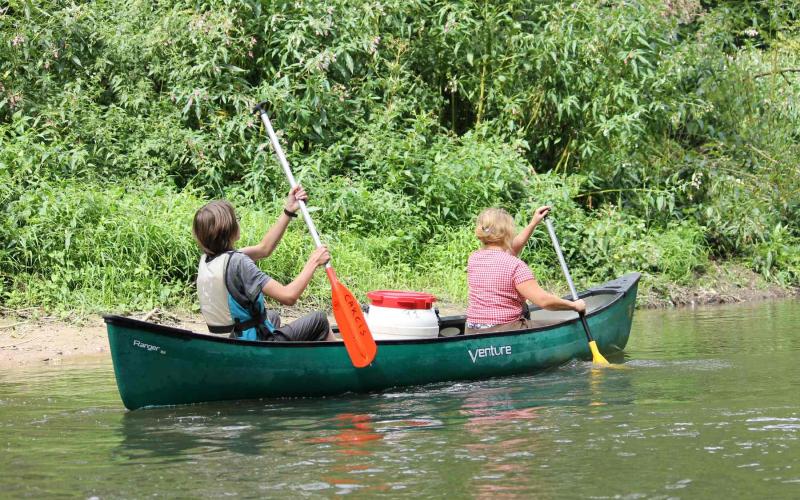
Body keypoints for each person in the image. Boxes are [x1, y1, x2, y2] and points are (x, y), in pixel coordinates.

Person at [192, 186, 334, 341]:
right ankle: (338, 355)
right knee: (320, 320)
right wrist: (314, 261)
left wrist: (289, 210)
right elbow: (288, 296)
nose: (238, 222)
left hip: (228, 339)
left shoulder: (209, 259)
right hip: (250, 346)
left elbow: (264, 249)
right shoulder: (239, 262)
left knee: (271, 316)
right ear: (228, 229)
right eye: (236, 219)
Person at [466, 207, 586, 333]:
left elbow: (509, 250)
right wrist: (574, 305)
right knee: (568, 326)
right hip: (503, 331)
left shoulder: (474, 258)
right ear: (508, 233)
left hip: (472, 330)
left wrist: (533, 223)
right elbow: (544, 301)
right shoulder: (515, 265)